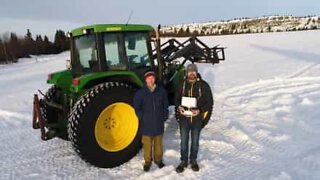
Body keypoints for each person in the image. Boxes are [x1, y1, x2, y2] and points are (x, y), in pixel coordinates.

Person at [175, 64, 213, 173]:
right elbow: (176, 99)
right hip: (184, 119)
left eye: (193, 72)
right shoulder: (181, 84)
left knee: (195, 141)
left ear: (196, 73)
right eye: (189, 72)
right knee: (184, 142)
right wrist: (179, 107)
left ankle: (193, 161)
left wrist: (200, 111)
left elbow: (209, 102)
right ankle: (183, 161)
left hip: (197, 119)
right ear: (186, 73)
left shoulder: (204, 85)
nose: (191, 73)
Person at [134, 70, 169, 172]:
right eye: (149, 77)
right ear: (145, 79)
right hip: (147, 123)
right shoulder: (141, 92)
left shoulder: (161, 91)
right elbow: (137, 107)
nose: (151, 79)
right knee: (147, 145)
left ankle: (158, 160)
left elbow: (165, 104)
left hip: (158, 122)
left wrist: (165, 114)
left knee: (158, 144)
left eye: (152, 77)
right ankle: (147, 162)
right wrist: (142, 117)